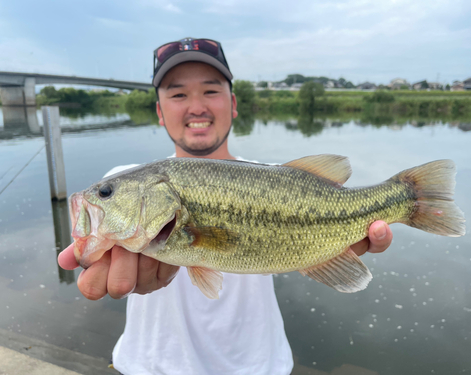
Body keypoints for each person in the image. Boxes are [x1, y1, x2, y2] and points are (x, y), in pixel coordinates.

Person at [58, 37, 394, 375]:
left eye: (210, 90)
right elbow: (96, 261)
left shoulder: (276, 178)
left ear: (233, 104)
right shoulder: (122, 176)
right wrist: (97, 258)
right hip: (149, 366)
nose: (197, 106)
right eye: (177, 94)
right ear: (159, 111)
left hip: (258, 366)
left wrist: (333, 248)